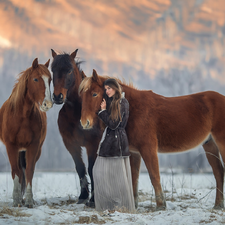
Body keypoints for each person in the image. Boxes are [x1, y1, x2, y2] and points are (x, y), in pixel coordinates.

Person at [93, 78, 135, 212]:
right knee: (100, 172)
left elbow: (113, 124)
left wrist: (103, 112)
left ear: (116, 88)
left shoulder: (123, 102)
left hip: (117, 143)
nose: (107, 91)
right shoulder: (114, 102)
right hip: (111, 141)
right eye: (105, 89)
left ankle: (121, 206)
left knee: (118, 176)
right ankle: (110, 205)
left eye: (109, 88)